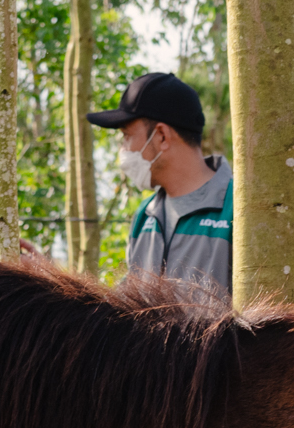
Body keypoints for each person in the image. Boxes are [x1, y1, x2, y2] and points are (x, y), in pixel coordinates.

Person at [88, 72, 233, 294]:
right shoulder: (145, 215)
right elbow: (122, 314)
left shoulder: (238, 208)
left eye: (126, 136)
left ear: (162, 136)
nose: (123, 150)